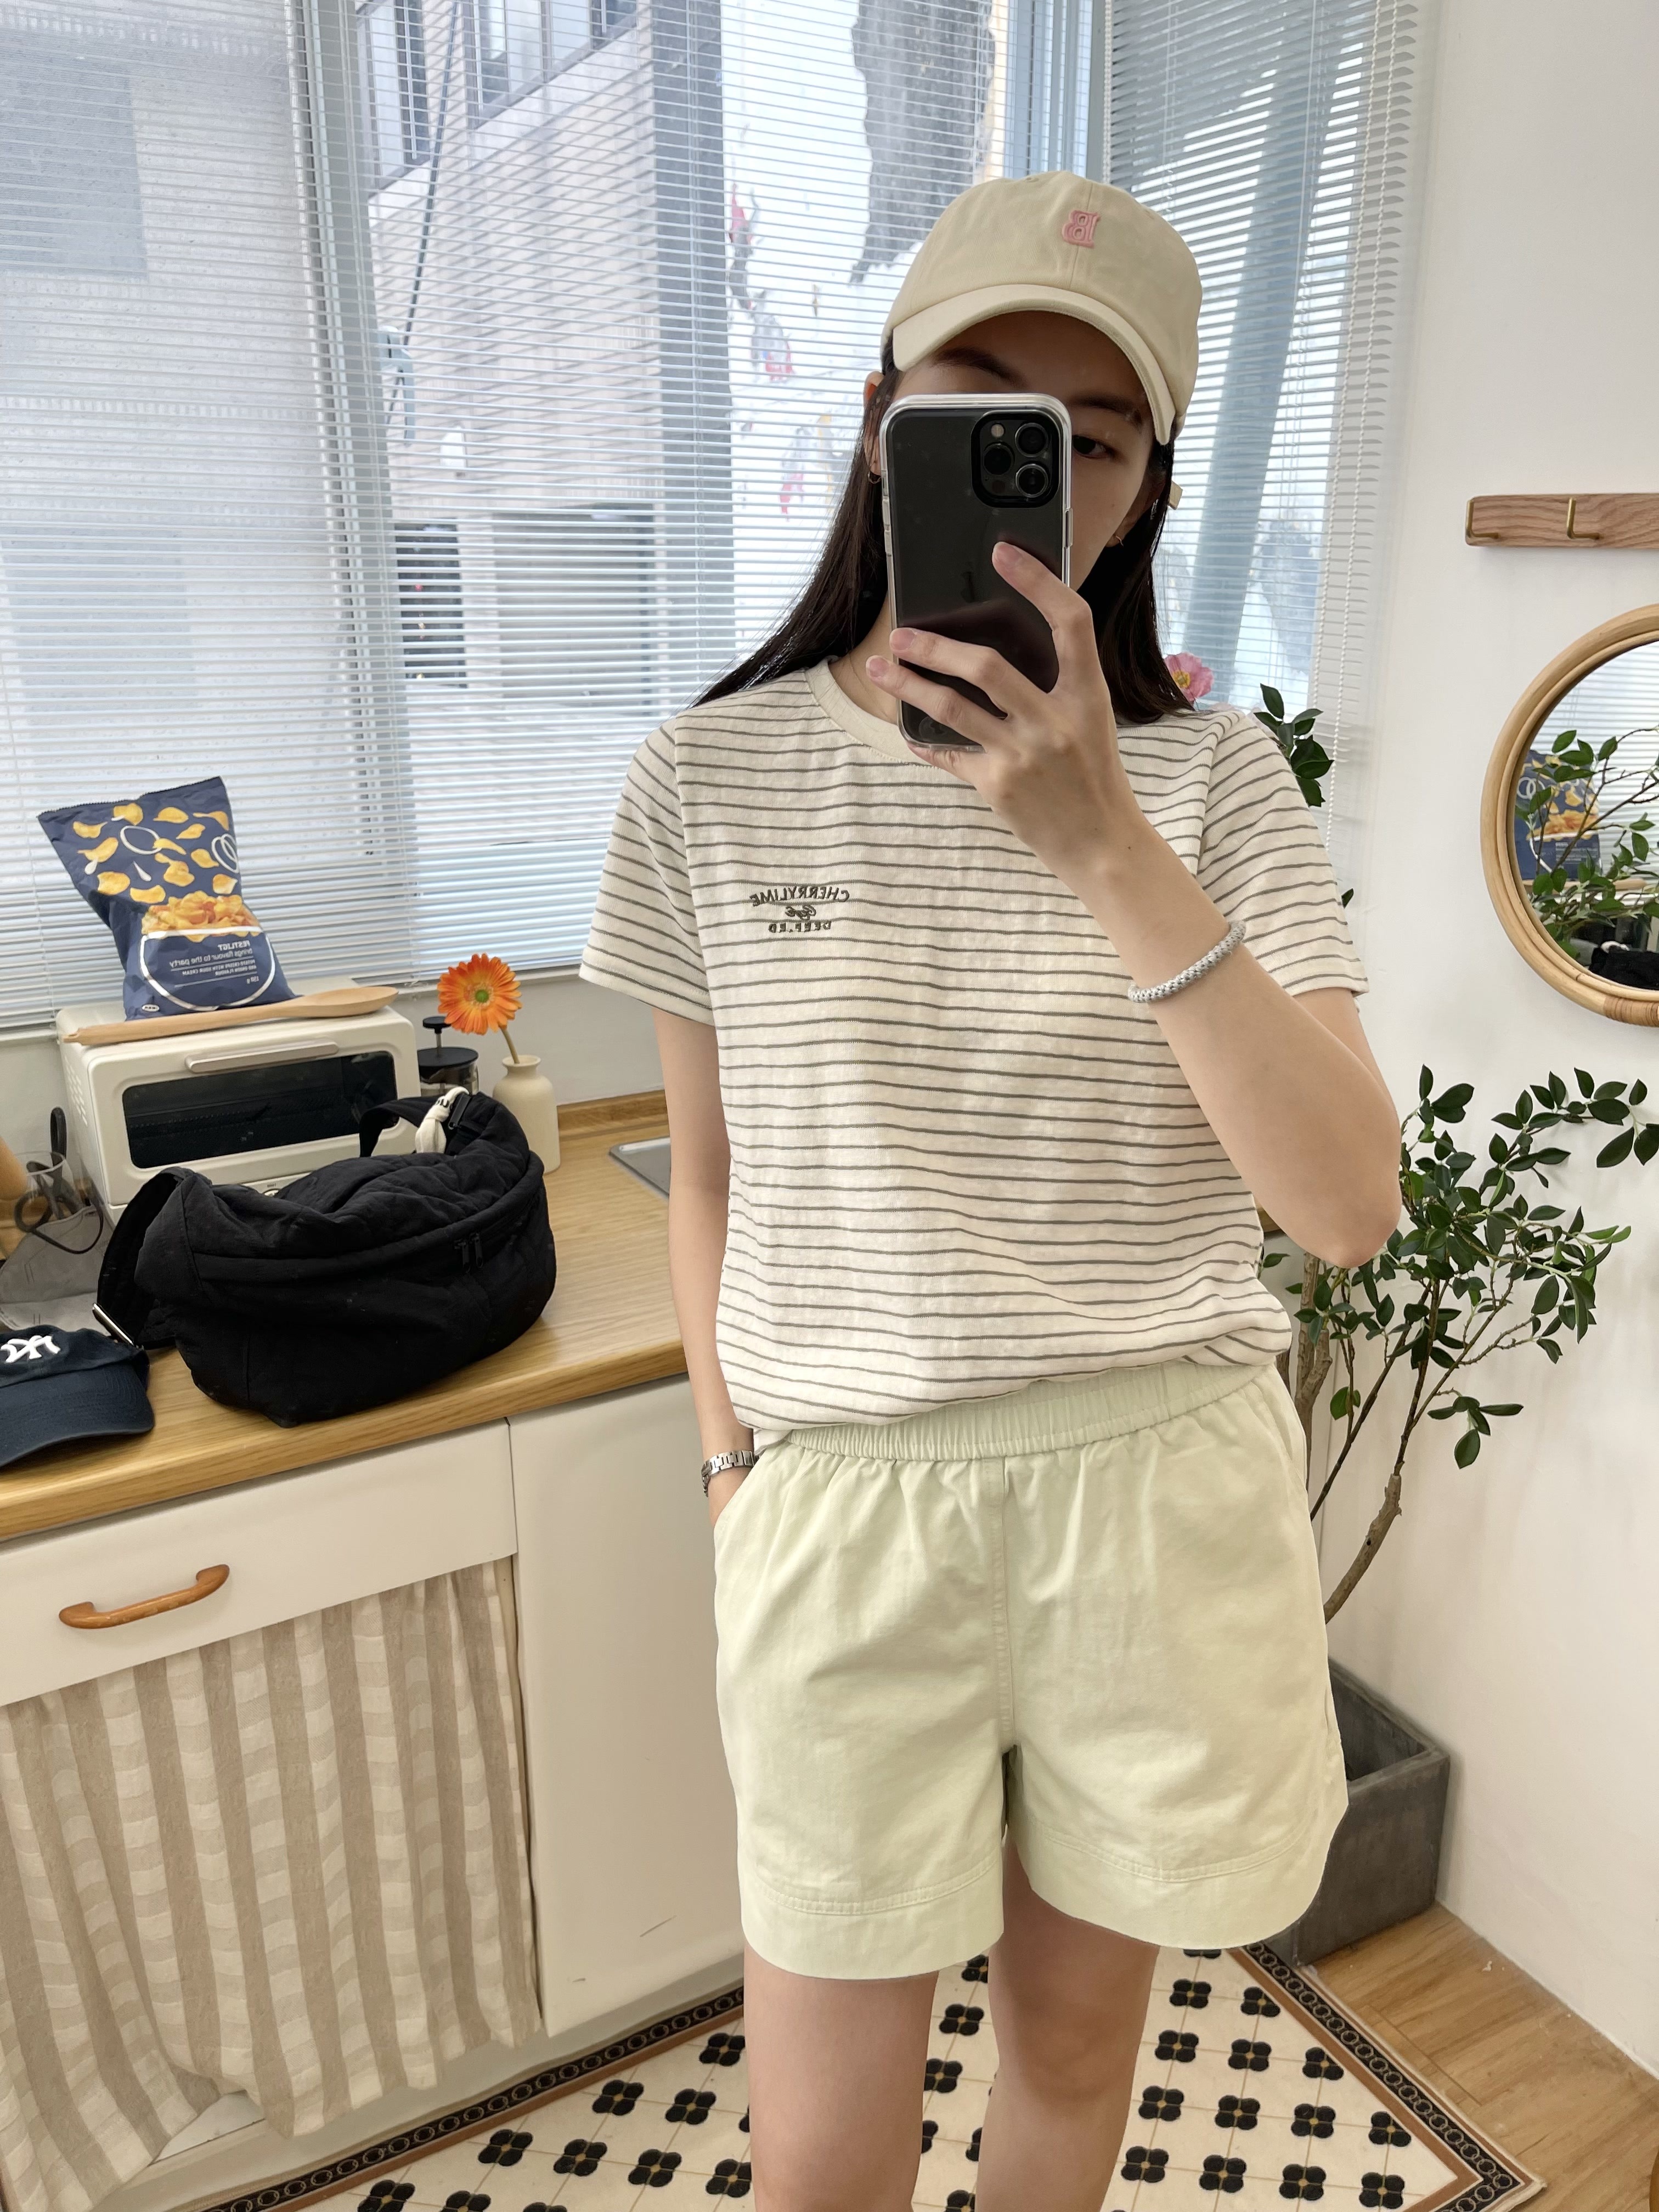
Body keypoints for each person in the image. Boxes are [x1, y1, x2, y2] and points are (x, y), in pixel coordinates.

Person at [580, 169, 1401, 2212]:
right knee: (821, 2148)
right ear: (886, 426)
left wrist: (1103, 840)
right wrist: (727, 1464)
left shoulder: (1218, 785)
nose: (1049, 470)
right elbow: (710, 1171)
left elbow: (1345, 1208)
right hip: (847, 1508)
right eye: (983, 411)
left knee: (1074, 2052)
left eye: (1095, 438)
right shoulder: (707, 776)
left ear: (1141, 489)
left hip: (1158, 1492)